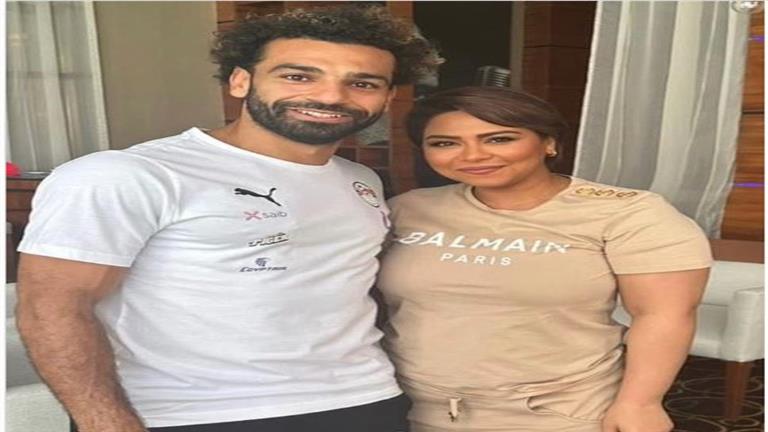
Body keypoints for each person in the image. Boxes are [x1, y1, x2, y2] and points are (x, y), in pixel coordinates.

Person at [15, 6, 441, 432]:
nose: (331, 96)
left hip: (365, 400)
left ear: (387, 98)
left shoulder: (360, 180)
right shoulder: (127, 175)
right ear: (240, 81)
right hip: (191, 414)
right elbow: (51, 307)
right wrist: (104, 422)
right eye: (298, 76)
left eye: (362, 83)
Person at [376, 86, 712, 432]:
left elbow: (662, 314)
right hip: (405, 402)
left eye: (499, 139)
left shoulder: (627, 213)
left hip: (557, 410)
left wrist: (639, 403)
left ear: (549, 142)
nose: (472, 156)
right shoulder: (410, 208)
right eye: (445, 143)